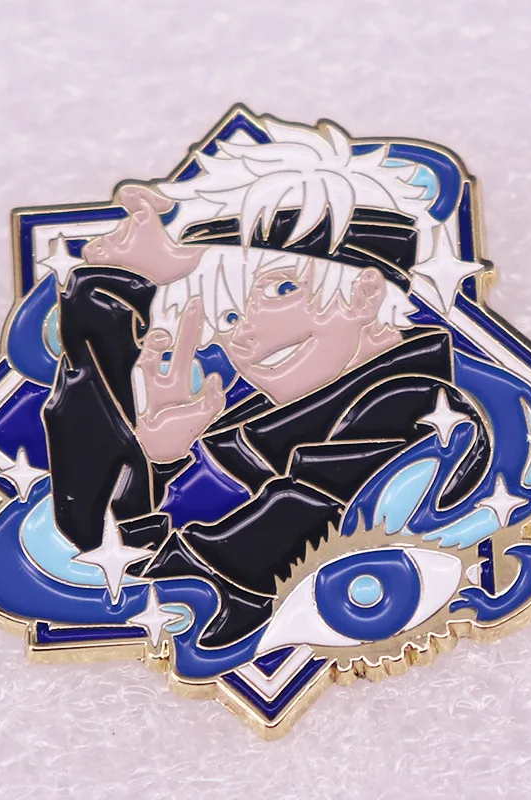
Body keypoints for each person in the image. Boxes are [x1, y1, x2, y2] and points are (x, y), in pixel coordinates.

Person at [43, 119, 490, 647]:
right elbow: (96, 543)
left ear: (365, 294)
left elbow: (228, 571)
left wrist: (112, 298)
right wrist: (156, 460)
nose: (245, 335)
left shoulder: (410, 409)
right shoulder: (251, 426)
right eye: (228, 317)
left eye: (279, 290)